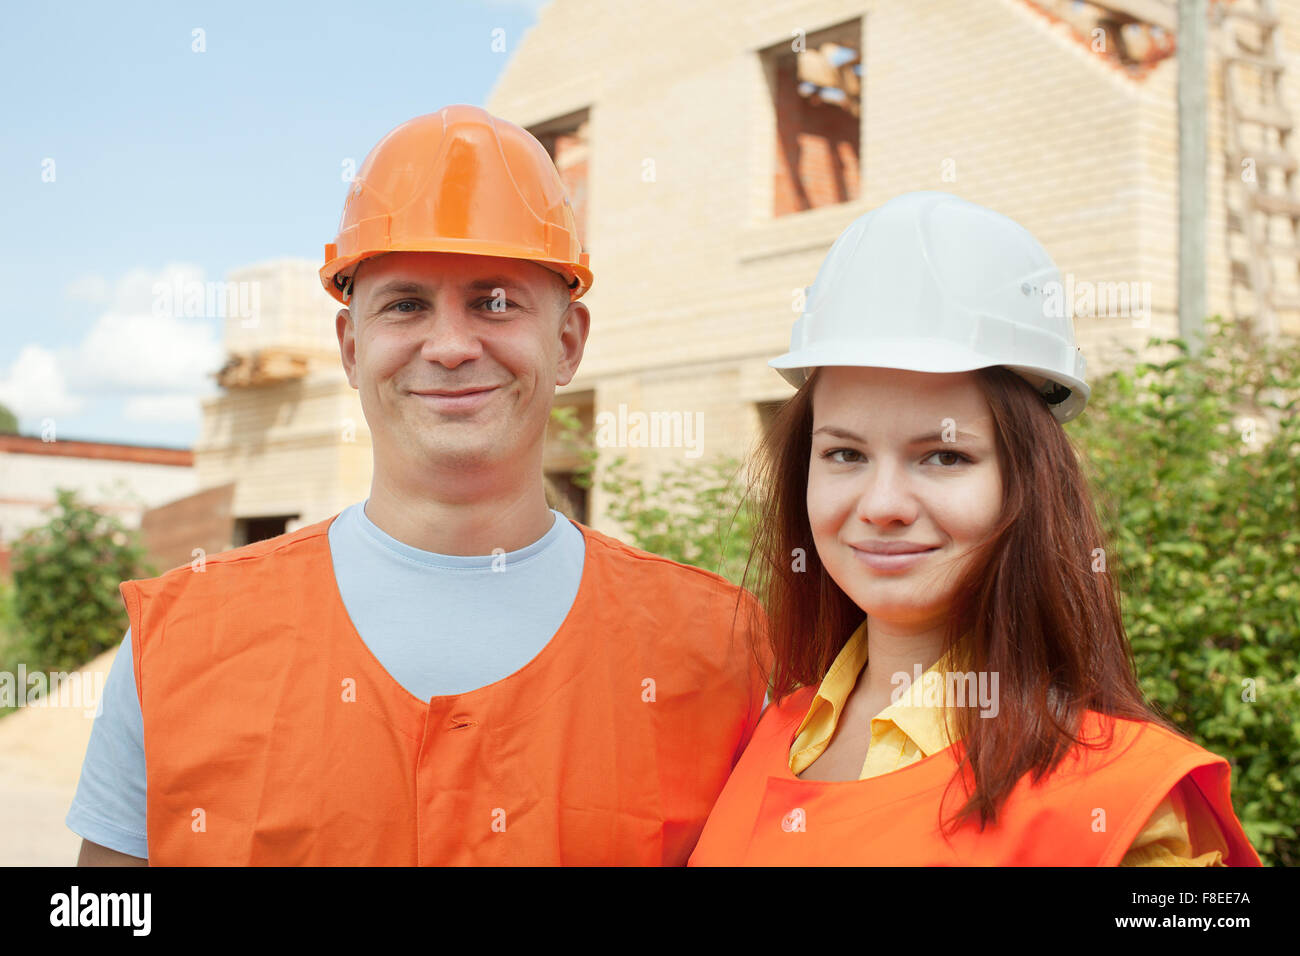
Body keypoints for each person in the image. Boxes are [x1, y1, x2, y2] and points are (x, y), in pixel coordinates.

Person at [67, 105, 768, 866]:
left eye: (494, 301)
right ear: (350, 345)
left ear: (567, 342)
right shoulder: (181, 642)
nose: (451, 346)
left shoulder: (717, 652)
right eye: (406, 304)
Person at [689, 191, 1261, 866]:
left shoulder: (1126, 804)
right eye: (845, 453)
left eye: (944, 456)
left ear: (1027, 482)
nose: (882, 504)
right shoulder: (766, 734)